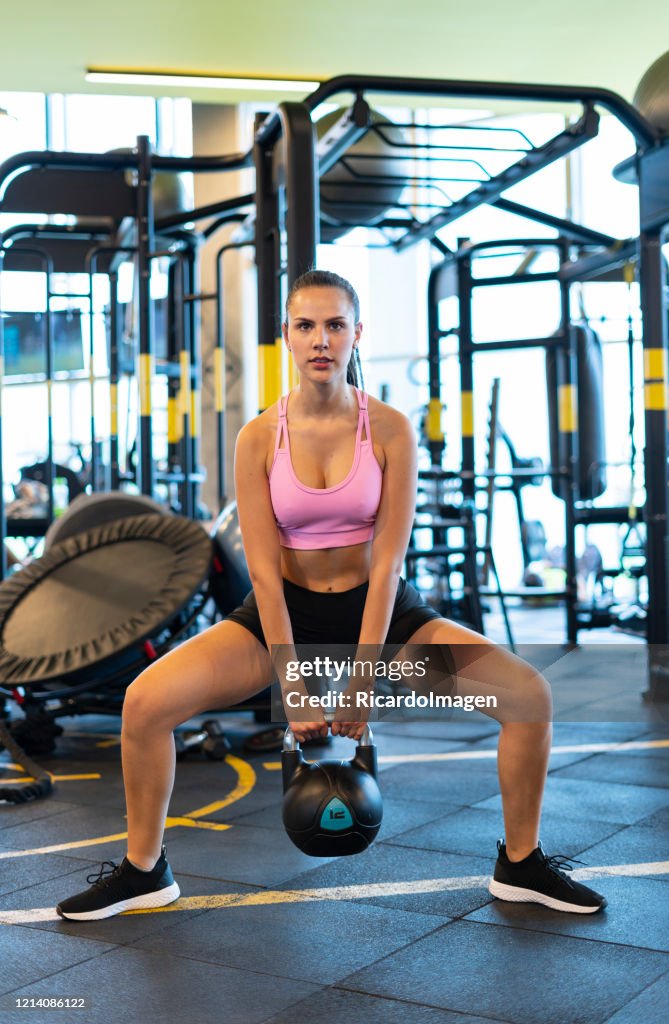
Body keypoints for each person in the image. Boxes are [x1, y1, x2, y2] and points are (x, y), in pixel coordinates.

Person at [56, 269, 606, 921]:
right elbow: (261, 571)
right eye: (306, 325)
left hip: (381, 611)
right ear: (286, 336)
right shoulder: (259, 437)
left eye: (335, 325)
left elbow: (389, 561)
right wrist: (293, 681)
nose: (321, 339)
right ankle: (145, 871)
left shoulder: (391, 430)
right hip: (281, 611)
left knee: (527, 697)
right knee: (145, 701)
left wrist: (362, 676)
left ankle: (520, 864)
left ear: (355, 334)